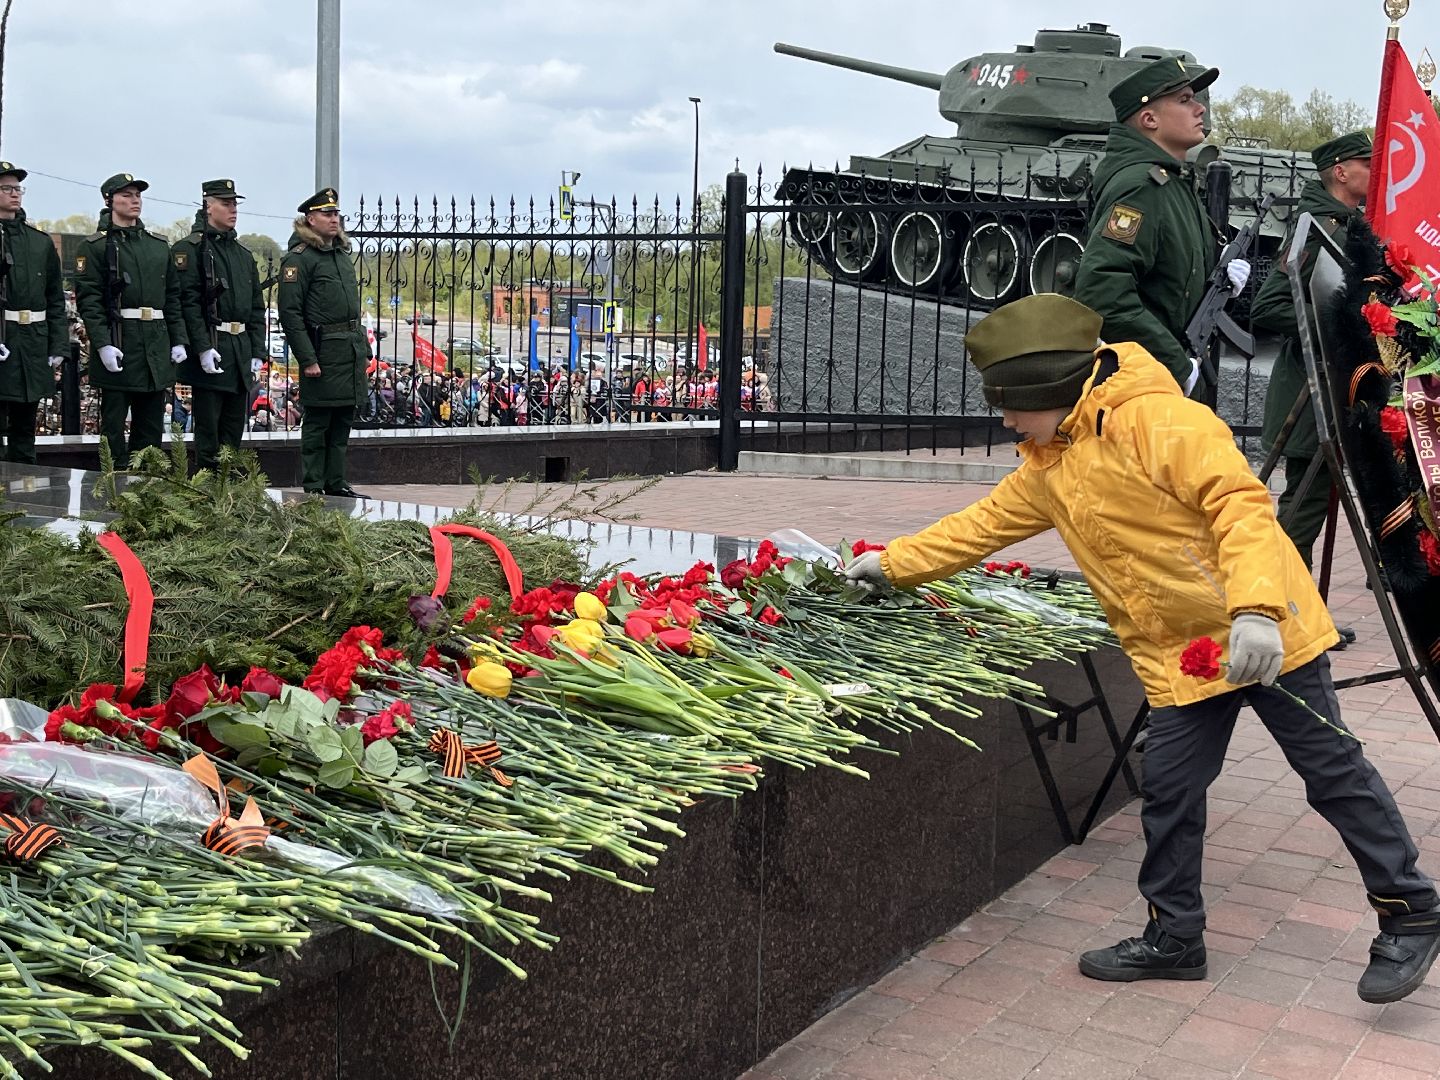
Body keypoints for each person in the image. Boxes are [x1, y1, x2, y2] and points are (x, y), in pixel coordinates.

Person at [844, 293, 1440, 1005]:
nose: (1004, 421)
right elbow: (980, 525)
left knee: (1331, 771)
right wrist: (892, 564)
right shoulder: (1051, 462)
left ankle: (1412, 912)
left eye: (1010, 405)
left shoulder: (1162, 421)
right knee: (1170, 789)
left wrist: (1254, 611)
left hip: (1263, 632)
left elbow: (1242, 506)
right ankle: (1174, 935)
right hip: (1185, 652)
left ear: (1048, 390)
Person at [1073, 57, 1249, 398]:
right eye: (1184, 100)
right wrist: (1176, 365)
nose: (1200, 108)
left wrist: (1219, 273)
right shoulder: (1142, 187)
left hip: (1160, 380)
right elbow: (1102, 293)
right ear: (1149, 119)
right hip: (1145, 384)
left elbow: (1168, 281)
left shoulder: (1172, 182)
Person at [1253, 132, 1372, 581]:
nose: (1375, 171)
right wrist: (1341, 325)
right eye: (1366, 164)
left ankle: (1291, 600)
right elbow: (1269, 306)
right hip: (1308, 392)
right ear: (1340, 172)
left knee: (1315, 501)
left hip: (1333, 386)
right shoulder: (1317, 229)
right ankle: (1280, 600)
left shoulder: (1347, 225)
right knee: (1303, 505)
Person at [74, 173, 185, 468]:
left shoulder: (158, 246)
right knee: (113, 427)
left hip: (154, 344)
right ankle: (114, 483)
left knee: (150, 428)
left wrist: (179, 339)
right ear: (109, 200)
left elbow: (172, 297)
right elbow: (90, 301)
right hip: (120, 339)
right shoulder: (95, 246)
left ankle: (147, 480)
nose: (135, 200)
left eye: (137, 195)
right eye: (126, 195)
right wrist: (102, 344)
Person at [277, 187, 368, 498]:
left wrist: (363, 349)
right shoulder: (299, 259)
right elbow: (290, 314)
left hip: (349, 350)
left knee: (342, 420)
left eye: (336, 213)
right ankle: (315, 486)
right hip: (323, 351)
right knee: (318, 422)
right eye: (327, 214)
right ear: (310, 219)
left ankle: (336, 482)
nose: (334, 219)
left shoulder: (340, 256)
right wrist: (307, 358)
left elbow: (351, 310)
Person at [171, 179, 266, 472]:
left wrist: (257, 351)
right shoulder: (190, 249)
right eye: (226, 203)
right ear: (208, 206)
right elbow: (188, 303)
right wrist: (201, 347)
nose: (233, 209)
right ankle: (208, 486)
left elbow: (255, 308)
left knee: (234, 429)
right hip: (213, 345)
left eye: (235, 204)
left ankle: (230, 485)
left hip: (238, 351)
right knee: (209, 432)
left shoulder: (242, 255)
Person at [0, 162, 66, 464]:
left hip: (31, 343)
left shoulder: (39, 242)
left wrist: (57, 345)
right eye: (7, 188)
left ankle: (23, 484)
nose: (15, 194)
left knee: (25, 427)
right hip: (5, 337)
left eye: (18, 189)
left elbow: (54, 299)